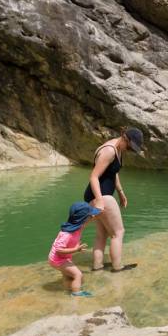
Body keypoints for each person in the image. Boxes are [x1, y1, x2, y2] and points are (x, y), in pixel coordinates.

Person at [84, 127, 144, 272]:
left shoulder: (117, 149)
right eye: (130, 145)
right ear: (124, 137)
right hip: (102, 196)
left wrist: (121, 192)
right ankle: (118, 267)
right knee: (118, 232)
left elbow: (113, 172)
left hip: (97, 196)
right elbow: (93, 176)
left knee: (102, 234)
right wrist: (99, 200)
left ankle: (97, 266)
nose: (130, 149)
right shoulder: (109, 150)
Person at [48, 201, 102, 297]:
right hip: (58, 259)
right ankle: (76, 293)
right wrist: (76, 249)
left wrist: (76, 244)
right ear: (83, 219)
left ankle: (67, 290)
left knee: (67, 275)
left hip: (60, 258)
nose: (93, 217)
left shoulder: (78, 226)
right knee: (78, 275)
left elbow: (88, 220)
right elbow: (59, 250)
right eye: (90, 216)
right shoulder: (67, 234)